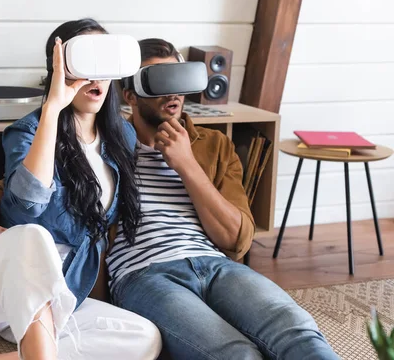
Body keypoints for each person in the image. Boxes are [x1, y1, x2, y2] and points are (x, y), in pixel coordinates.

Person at [104, 38, 339, 359]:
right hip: (144, 273)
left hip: (215, 264)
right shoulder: (105, 147)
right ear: (130, 94)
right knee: (235, 354)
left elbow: (237, 240)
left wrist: (186, 164)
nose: (174, 93)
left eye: (180, 78)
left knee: (298, 332)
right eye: (160, 81)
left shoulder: (213, 145)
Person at [0, 19, 161, 360]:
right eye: (84, 63)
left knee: (144, 337)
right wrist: (53, 109)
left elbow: (97, 237)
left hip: (61, 295)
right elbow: (26, 206)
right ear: (59, 68)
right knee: (34, 236)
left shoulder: (123, 138)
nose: (95, 76)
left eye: (103, 64)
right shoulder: (28, 131)